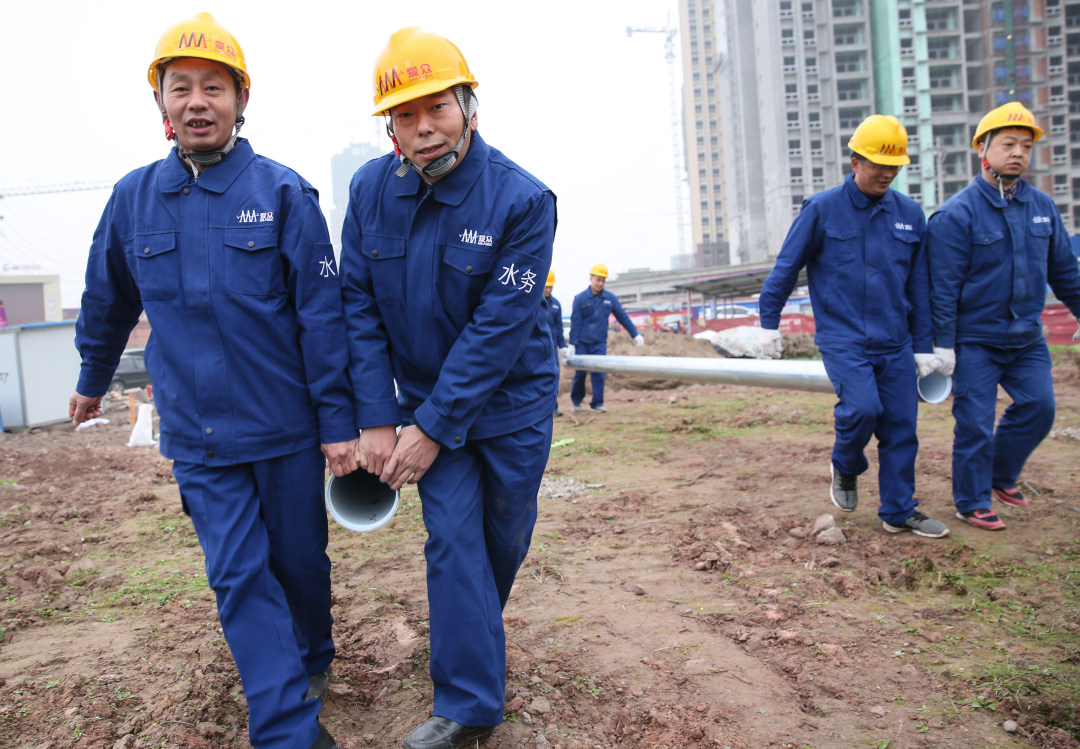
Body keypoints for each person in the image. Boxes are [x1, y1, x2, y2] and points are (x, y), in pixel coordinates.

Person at [68, 14, 354, 749]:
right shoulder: (133, 199)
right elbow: (108, 297)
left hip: (284, 427)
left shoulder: (284, 193)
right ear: (161, 103)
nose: (197, 101)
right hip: (197, 433)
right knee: (237, 573)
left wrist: (337, 423)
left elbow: (323, 318)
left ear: (240, 99)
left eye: (214, 88)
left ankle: (310, 657)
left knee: (298, 562)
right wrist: (92, 376)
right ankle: (287, 727)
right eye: (181, 87)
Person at [339, 28, 557, 749]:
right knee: (453, 543)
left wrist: (433, 425)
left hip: (512, 405)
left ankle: (473, 642)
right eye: (405, 115)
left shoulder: (523, 201)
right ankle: (468, 706)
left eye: (437, 107)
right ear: (390, 127)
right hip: (425, 405)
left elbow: (499, 329)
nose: (423, 127)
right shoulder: (371, 191)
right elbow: (358, 306)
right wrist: (380, 415)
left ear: (468, 105)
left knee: (501, 543)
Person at [757, 114, 949, 539]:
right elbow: (787, 267)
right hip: (844, 339)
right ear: (855, 161)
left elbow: (919, 285)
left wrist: (923, 345)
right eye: (879, 164)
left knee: (901, 427)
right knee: (862, 409)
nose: (887, 173)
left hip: (895, 341)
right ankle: (846, 465)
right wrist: (769, 322)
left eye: (894, 165)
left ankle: (898, 510)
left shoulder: (909, 214)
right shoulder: (822, 209)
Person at [927, 101, 1080, 531]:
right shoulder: (957, 214)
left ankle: (999, 475)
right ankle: (971, 501)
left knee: (1040, 407)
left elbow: (1065, 272)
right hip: (975, 340)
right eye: (1009, 144)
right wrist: (942, 346)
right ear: (983, 149)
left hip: (1026, 337)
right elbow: (942, 288)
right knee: (975, 424)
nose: (1018, 153)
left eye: (1026, 146)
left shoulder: (1042, 207)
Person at [568, 264, 644, 413]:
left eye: (603, 280)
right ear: (591, 279)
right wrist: (572, 344)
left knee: (599, 373)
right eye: (598, 280)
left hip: (599, 343)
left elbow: (622, 317)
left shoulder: (610, 298)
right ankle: (576, 401)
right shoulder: (580, 299)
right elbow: (576, 323)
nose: (600, 283)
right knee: (580, 373)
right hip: (583, 343)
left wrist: (635, 334)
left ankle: (597, 403)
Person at [544, 270, 566, 416]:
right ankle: (542, 408)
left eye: (550, 287)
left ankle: (554, 406)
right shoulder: (534, 302)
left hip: (552, 348)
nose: (548, 289)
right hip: (538, 348)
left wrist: (562, 345)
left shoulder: (556, 305)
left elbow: (559, 327)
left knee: (554, 377)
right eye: (546, 286)